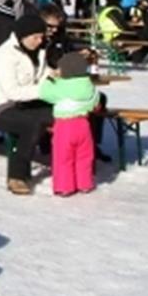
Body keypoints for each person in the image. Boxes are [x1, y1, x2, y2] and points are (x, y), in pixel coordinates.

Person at [0, 15, 51, 195]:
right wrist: (45, 91)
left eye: (42, 37)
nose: (39, 41)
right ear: (23, 36)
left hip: (24, 103)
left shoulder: (39, 53)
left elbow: (43, 76)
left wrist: (55, 79)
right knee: (31, 124)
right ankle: (17, 175)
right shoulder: (5, 55)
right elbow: (12, 91)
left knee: (62, 112)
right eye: (35, 37)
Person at [39, 52, 99, 196]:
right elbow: (95, 101)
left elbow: (44, 93)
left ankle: (65, 186)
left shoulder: (61, 86)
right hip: (83, 125)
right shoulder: (88, 85)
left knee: (63, 158)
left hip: (65, 125)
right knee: (84, 157)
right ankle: (85, 183)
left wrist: (50, 79)